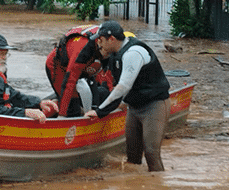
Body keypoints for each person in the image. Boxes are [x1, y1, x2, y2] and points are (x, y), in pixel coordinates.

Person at [84, 20, 171, 171]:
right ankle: (135, 189)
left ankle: (157, 187)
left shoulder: (133, 52)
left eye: (101, 40)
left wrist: (99, 111)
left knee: (151, 153)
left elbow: (123, 86)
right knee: (132, 155)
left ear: (111, 39)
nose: (99, 44)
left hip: (154, 105)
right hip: (134, 107)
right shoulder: (115, 53)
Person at [0, 32, 59, 123]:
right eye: (1, 53)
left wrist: (39, 103)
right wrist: (25, 112)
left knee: (51, 99)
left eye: (6, 53)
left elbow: (14, 96)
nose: (5, 57)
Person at [44, 24, 115, 117]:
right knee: (72, 107)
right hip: (59, 67)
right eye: (107, 52)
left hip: (85, 68)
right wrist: (62, 115)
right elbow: (69, 82)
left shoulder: (112, 45)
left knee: (98, 97)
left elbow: (110, 79)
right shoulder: (82, 49)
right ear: (99, 41)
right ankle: (48, 111)